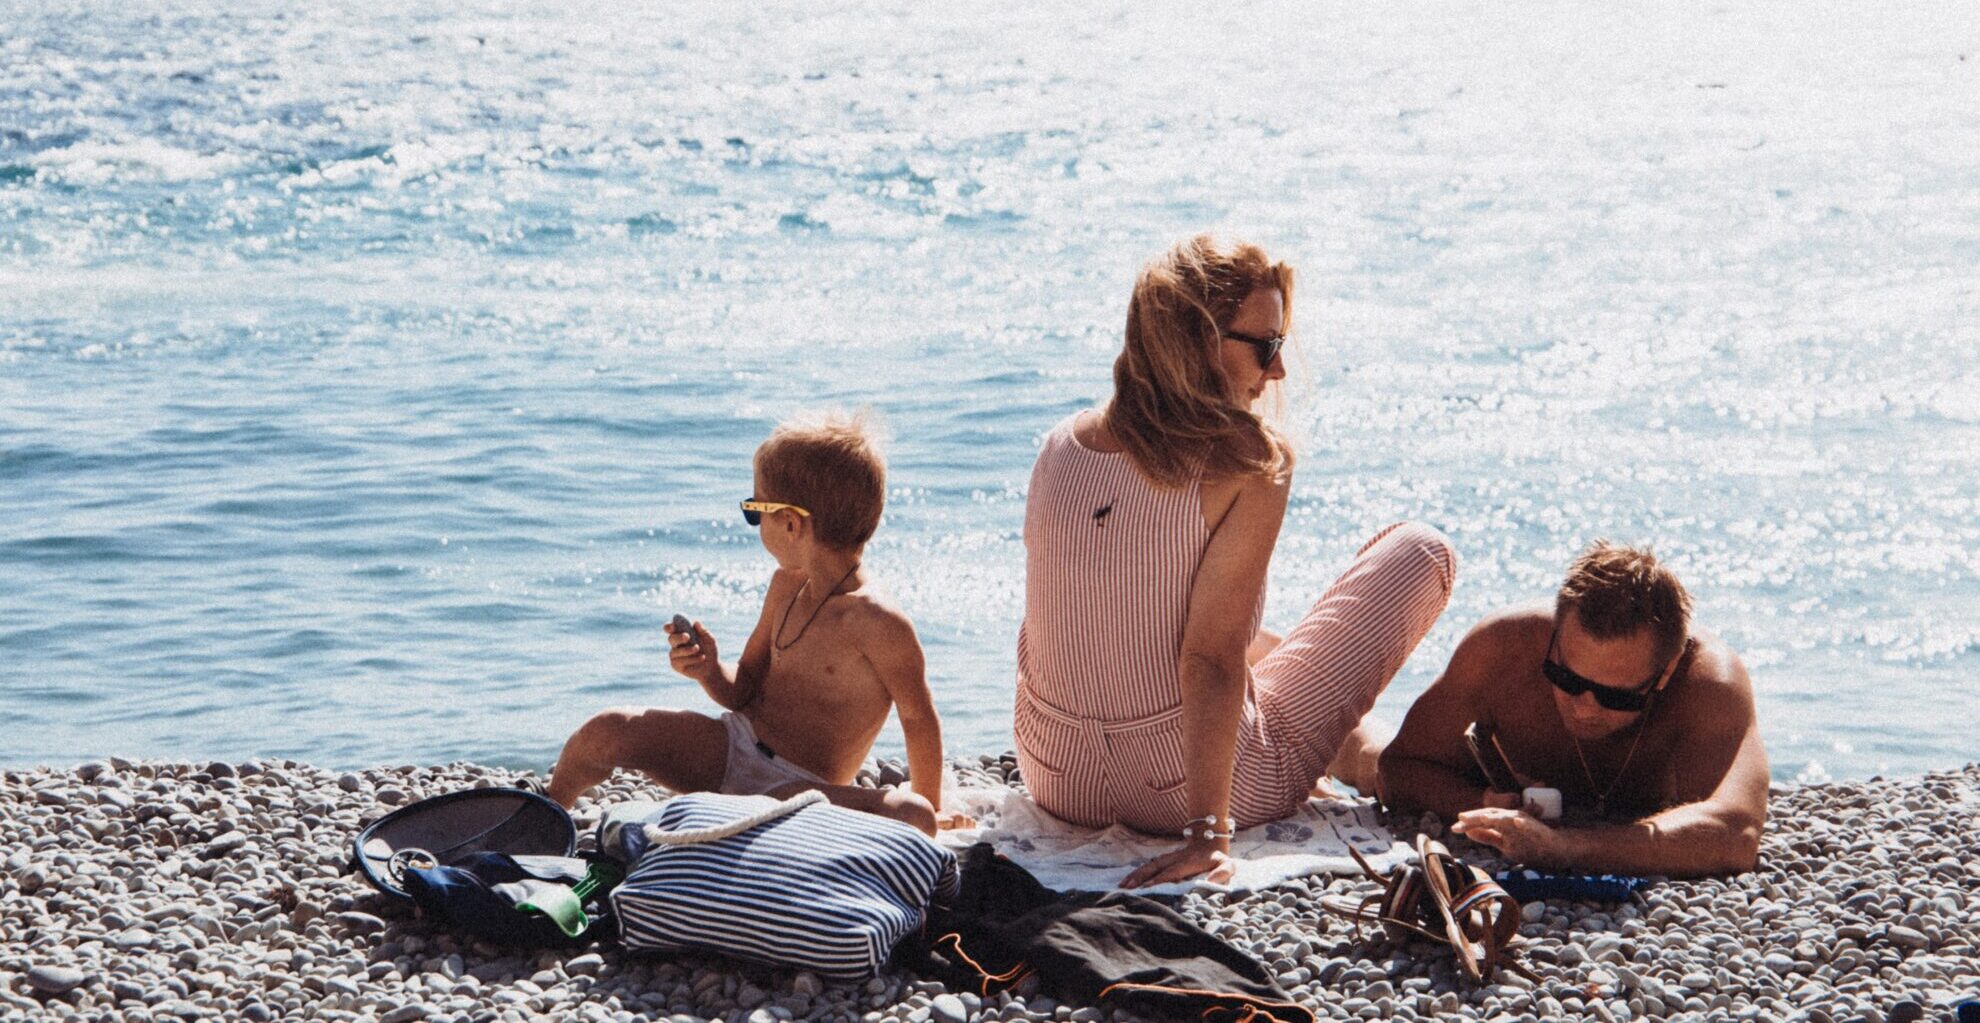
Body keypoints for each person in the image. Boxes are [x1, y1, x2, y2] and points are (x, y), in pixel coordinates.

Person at [1014, 235, 1460, 888]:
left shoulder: (1061, 443)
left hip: (1054, 774)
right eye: (1267, 346)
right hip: (1179, 787)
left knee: (1255, 645)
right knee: (1423, 551)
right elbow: (1210, 657)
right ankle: (1367, 755)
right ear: (1196, 340)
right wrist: (1208, 834)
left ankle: (1353, 747)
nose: (1275, 372)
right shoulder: (1250, 461)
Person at [546, 412, 955, 835]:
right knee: (607, 730)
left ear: (792, 523)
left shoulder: (877, 621)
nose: (754, 524)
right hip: (735, 748)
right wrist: (707, 670)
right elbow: (741, 691)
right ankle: (544, 818)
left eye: (754, 512)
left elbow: (918, 718)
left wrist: (933, 805)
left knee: (913, 814)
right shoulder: (786, 587)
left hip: (805, 793)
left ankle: (726, 823)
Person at [1378, 541, 1768, 877]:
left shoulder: (1710, 682)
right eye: (1566, 679)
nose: (1584, 707)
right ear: (1554, 637)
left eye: (1617, 696)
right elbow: (1398, 767)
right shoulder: (1502, 647)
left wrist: (1565, 848)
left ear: (1666, 671)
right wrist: (1482, 805)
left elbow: (1737, 833)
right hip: (1485, 776)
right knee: (1365, 758)